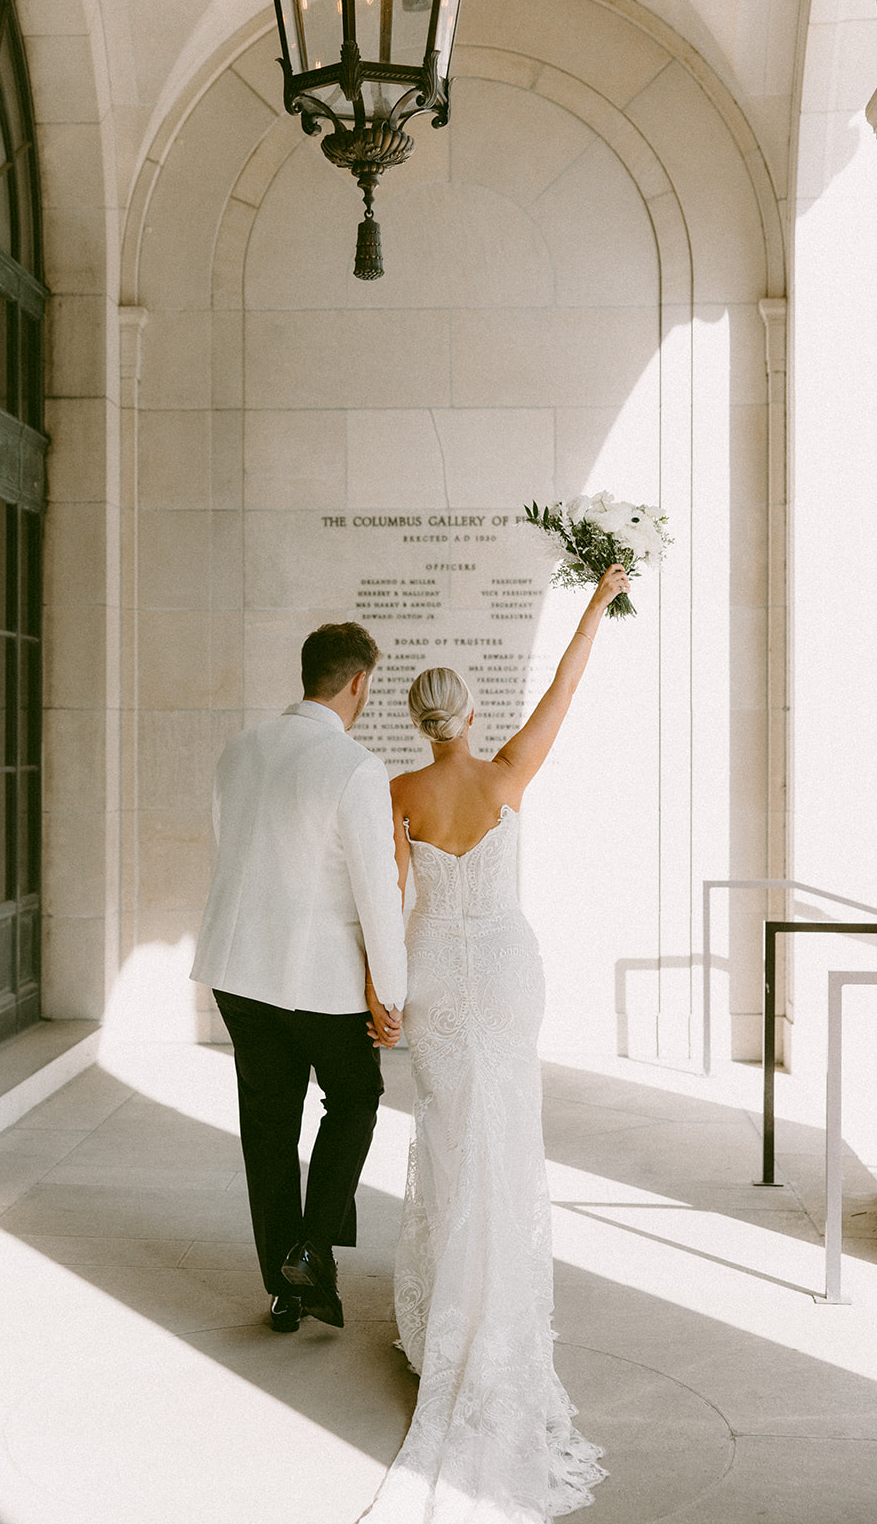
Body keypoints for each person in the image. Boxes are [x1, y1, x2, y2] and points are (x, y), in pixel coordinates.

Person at [358, 562, 629, 1523]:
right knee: (506, 1134)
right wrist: (595, 602)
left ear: (417, 718)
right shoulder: (510, 774)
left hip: (434, 974)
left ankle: (448, 1311)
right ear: (469, 716)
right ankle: (497, 1308)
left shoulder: (395, 790)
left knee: (447, 1134)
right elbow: (565, 686)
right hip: (508, 972)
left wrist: (374, 993)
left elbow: (387, 906)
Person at [191, 622, 407, 1334]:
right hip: (317, 978)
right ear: (357, 683)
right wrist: (391, 992)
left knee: (268, 1124)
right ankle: (311, 1251)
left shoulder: (239, 750)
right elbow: (377, 890)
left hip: (237, 969)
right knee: (355, 1098)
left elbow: (237, 850)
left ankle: (286, 1287)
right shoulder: (354, 766)